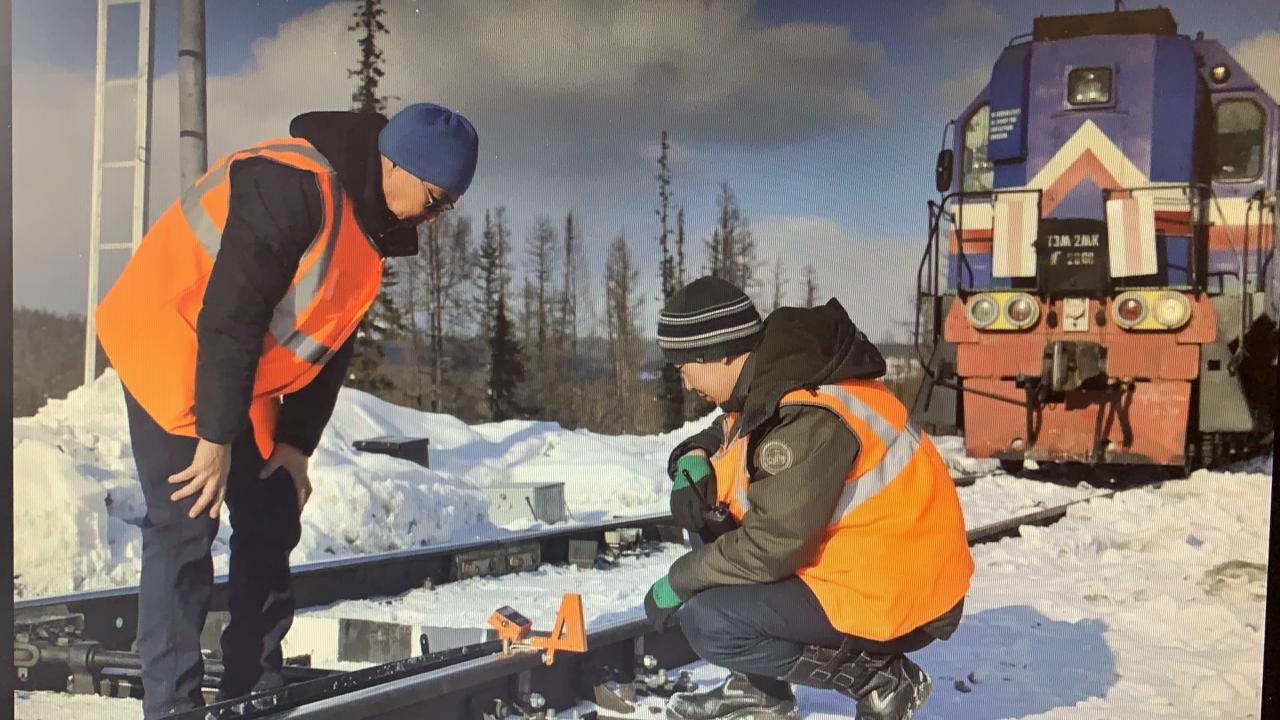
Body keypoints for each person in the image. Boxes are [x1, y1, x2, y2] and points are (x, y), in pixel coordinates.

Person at [94, 102, 478, 718]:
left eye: (447, 206)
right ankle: (173, 706)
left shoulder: (370, 229)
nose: (436, 219)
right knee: (187, 520)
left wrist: (295, 446)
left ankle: (254, 686)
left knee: (272, 506)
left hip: (235, 371)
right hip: (171, 342)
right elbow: (231, 315)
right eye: (435, 199)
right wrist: (215, 439)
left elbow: (330, 343)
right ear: (394, 166)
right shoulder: (292, 185)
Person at [643, 276, 974, 720]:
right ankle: (758, 690)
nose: (684, 382)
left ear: (721, 352)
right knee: (709, 518)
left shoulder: (805, 412)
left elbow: (770, 549)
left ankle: (880, 680)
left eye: (686, 366)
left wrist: (679, 579)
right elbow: (735, 427)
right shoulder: (779, 375)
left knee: (709, 620)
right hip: (870, 559)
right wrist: (694, 456)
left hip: (896, 585)